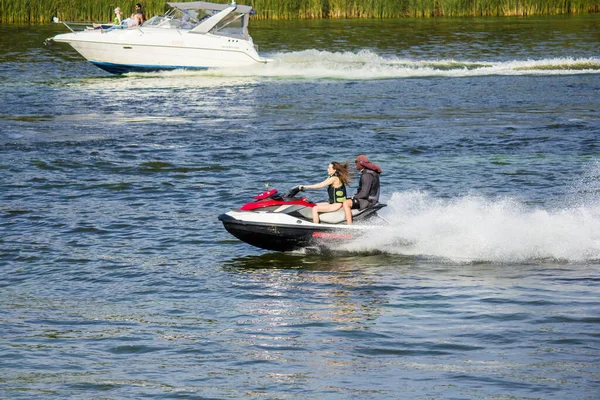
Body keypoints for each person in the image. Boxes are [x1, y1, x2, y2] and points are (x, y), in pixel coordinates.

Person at [342, 155, 382, 224]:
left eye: (356, 162)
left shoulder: (366, 175)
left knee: (346, 203)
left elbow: (364, 193)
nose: (355, 164)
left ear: (361, 163)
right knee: (347, 200)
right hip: (371, 200)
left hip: (369, 201)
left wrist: (353, 197)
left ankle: (349, 226)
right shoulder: (370, 172)